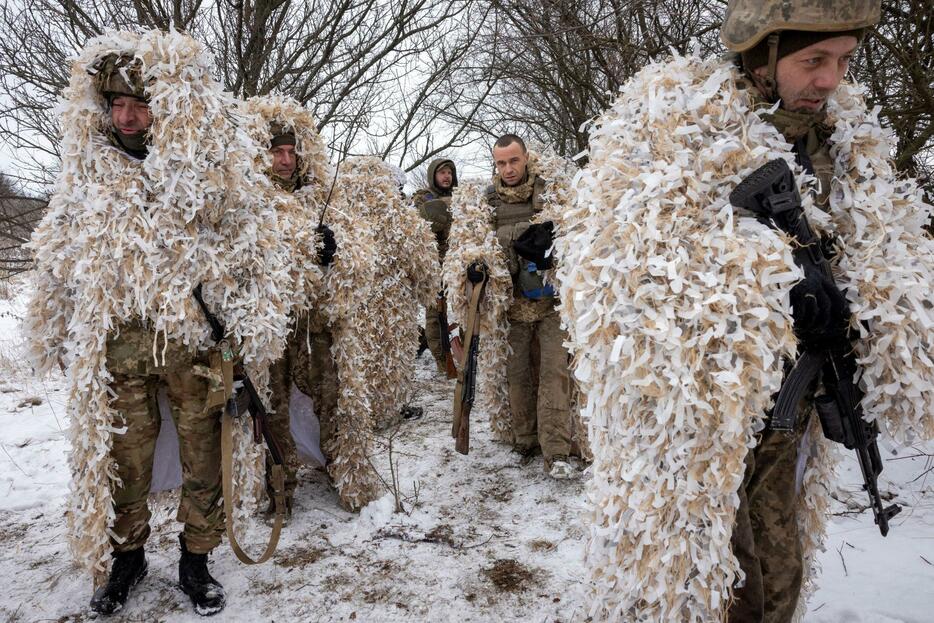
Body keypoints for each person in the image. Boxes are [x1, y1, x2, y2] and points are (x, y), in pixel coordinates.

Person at [558, 1, 934, 621]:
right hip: (701, 421)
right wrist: (773, 286)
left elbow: (887, 247)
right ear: (761, 54)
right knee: (698, 578)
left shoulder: (845, 143)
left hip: (798, 409)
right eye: (813, 60)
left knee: (776, 569)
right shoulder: (672, 127)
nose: (830, 80)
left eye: (843, 59)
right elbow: (623, 267)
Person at [26, 31, 294, 616]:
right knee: (124, 461)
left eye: (139, 102)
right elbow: (60, 252)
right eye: (116, 103)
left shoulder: (209, 167)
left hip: (194, 343)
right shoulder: (87, 172)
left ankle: (196, 561)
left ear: (164, 105)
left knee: (205, 457)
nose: (126, 115)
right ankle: (127, 560)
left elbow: (253, 245)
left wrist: (247, 321)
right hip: (120, 346)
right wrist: (54, 323)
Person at [445, 135, 577, 479]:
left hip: (550, 304)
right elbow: (469, 246)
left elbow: (577, 235)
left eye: (513, 161)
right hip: (510, 310)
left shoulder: (550, 194)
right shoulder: (484, 203)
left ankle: (557, 451)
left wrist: (550, 244)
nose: (508, 169)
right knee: (516, 378)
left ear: (525, 158)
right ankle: (525, 439)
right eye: (501, 163)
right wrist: (477, 265)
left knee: (553, 375)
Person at [414, 159, 458, 375]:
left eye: (449, 172)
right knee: (435, 316)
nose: (446, 176)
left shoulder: (461, 197)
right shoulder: (423, 198)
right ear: (433, 175)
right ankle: (443, 361)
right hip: (434, 267)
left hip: (459, 264)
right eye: (442, 172)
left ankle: (465, 356)